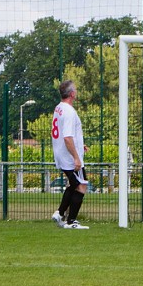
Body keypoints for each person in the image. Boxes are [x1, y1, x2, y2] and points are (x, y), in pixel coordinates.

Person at [50, 80, 89, 230]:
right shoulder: (69, 111)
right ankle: (70, 220)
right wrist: (76, 157)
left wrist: (80, 145)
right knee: (81, 186)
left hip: (61, 153)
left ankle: (60, 214)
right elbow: (67, 137)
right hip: (69, 157)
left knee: (74, 184)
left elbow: (65, 134)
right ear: (72, 94)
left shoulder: (59, 108)